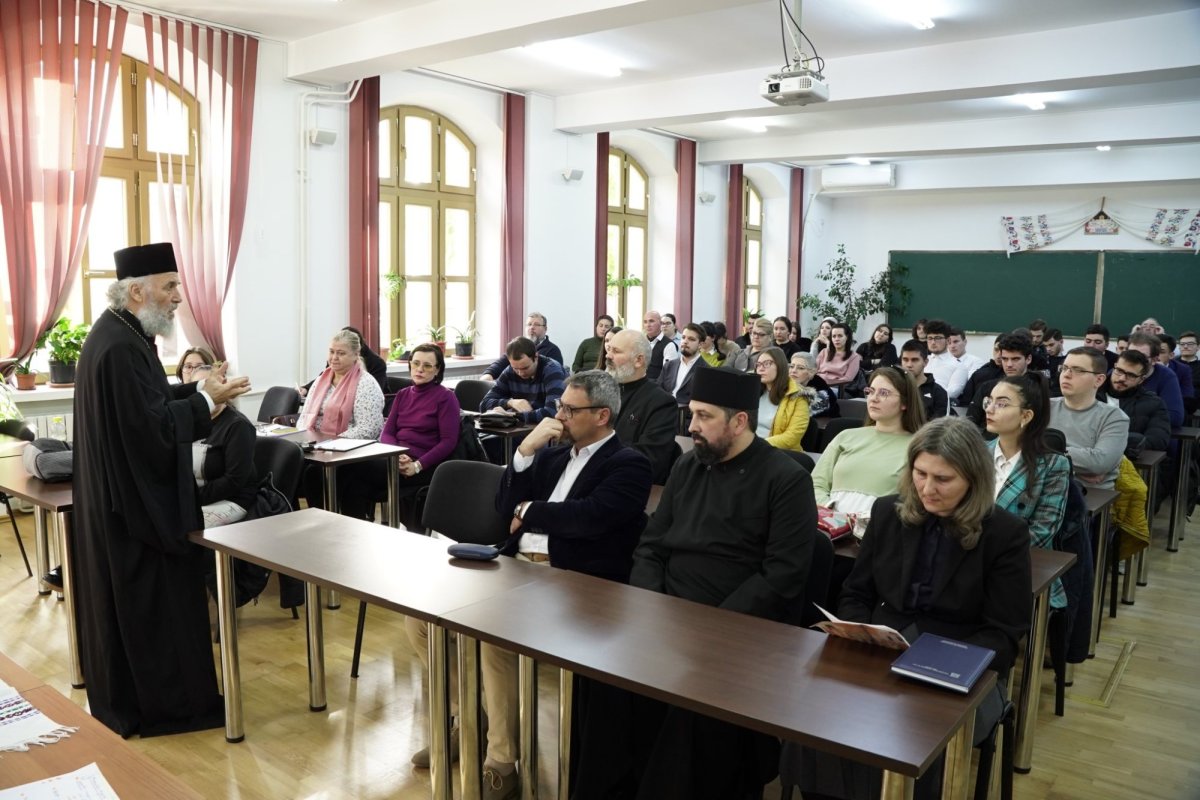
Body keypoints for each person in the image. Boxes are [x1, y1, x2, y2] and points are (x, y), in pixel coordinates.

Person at [571, 367, 816, 799]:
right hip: (665, 615)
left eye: (704, 417)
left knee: (687, 707)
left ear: (739, 421)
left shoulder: (786, 479)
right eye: (692, 414)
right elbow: (652, 545)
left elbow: (783, 574)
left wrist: (709, 627)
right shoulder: (688, 465)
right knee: (600, 677)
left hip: (735, 629)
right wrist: (651, 608)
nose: (692, 427)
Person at [792, 417, 1033, 800]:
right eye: (920, 474)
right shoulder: (890, 512)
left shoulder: (1004, 533)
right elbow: (856, 592)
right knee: (819, 722)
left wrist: (940, 663)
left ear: (973, 480)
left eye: (943, 479)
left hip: (959, 667)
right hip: (882, 651)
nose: (927, 488)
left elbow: (1004, 632)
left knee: (906, 738)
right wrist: (864, 634)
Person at [72, 242, 251, 737]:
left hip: (118, 502)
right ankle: (166, 706)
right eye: (169, 286)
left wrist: (198, 393)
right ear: (136, 291)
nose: (178, 297)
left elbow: (146, 402)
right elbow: (147, 431)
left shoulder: (122, 337)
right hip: (132, 514)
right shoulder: (120, 346)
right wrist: (203, 403)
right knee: (154, 609)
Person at [467, 371, 653, 799]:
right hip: (515, 566)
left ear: (602, 415)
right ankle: (465, 720)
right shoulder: (550, 457)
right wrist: (525, 451)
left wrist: (530, 509)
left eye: (570, 409)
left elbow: (589, 517)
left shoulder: (628, 464)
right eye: (560, 407)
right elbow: (502, 506)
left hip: (571, 580)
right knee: (426, 624)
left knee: (492, 638)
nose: (559, 415)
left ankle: (501, 758)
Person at [337, 344, 461, 527]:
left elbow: (448, 442)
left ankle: (354, 530)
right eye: (416, 363)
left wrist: (417, 465)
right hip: (396, 458)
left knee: (352, 472)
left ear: (437, 370)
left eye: (427, 366)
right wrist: (396, 454)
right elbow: (387, 431)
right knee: (348, 475)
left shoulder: (446, 397)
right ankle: (353, 530)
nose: (419, 369)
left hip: (425, 465)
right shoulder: (403, 394)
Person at [984, 375, 1071, 609]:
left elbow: (1044, 529)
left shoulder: (1053, 465)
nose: (990, 409)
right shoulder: (976, 452)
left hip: (1019, 565)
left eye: (1001, 404)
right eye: (989, 401)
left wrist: (988, 553)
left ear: (1026, 416)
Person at [811, 367, 925, 516]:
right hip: (829, 525)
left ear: (905, 403)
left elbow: (913, 502)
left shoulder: (918, 447)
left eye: (883, 393)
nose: (873, 398)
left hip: (878, 529)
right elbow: (816, 483)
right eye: (871, 391)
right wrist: (831, 513)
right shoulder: (846, 436)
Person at [299, 329, 386, 509]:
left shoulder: (366, 384)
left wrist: (332, 444)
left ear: (356, 355)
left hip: (352, 453)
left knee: (314, 475)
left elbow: (368, 428)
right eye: (331, 352)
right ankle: (316, 522)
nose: (334, 358)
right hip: (319, 448)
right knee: (291, 468)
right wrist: (305, 440)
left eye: (341, 353)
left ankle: (331, 522)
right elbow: (305, 415)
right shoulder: (322, 379)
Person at [179, 347, 258, 528]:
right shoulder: (187, 421)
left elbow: (233, 481)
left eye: (213, 387)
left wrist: (189, 500)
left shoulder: (237, 426)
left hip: (230, 500)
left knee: (180, 527)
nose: (209, 395)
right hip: (195, 498)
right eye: (202, 390)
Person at [604, 329, 679, 484]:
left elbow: (650, 459)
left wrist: (597, 454)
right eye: (609, 349)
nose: (608, 356)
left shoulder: (661, 403)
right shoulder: (599, 392)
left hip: (624, 484)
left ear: (639, 360)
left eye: (616, 351)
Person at [1051, 347, 1129, 489]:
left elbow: (1099, 463)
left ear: (1098, 380)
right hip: (1044, 488)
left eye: (1078, 370)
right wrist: (1076, 466)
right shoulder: (1044, 407)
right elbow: (1018, 448)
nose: (1066, 375)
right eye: (1064, 368)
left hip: (1089, 498)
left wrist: (1042, 450)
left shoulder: (1114, 417)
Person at [480, 336, 567, 424]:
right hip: (523, 426)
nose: (520, 373)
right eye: (516, 368)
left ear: (536, 357)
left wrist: (511, 416)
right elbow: (483, 405)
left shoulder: (552, 370)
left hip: (548, 429)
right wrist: (510, 402)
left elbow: (553, 413)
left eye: (525, 368)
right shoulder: (510, 371)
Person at [1104, 349, 1172, 457]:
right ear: (1114, 366)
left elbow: (1159, 440)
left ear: (1141, 379)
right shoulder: (1090, 393)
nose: (1122, 378)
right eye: (1119, 371)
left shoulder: (1154, 403)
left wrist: (1121, 441)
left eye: (1131, 375)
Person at [965, 332, 1033, 431]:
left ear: (1028, 359)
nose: (1009, 364)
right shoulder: (987, 386)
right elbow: (971, 420)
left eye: (1015, 359)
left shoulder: (1036, 388)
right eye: (1005, 359)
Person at [754, 346, 809, 452]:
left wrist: (756, 446)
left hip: (781, 453)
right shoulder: (753, 391)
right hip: (750, 450)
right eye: (758, 365)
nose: (760, 368)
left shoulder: (798, 397)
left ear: (780, 366)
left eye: (767, 364)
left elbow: (792, 438)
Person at [1125, 332, 1184, 427]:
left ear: (1154, 360)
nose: (1134, 361)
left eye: (1141, 357)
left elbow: (1175, 417)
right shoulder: (1116, 373)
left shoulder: (1167, 376)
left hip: (1153, 435)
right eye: (1130, 355)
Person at [482, 312, 564, 380]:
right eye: (529, 324)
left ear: (545, 329)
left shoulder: (553, 350)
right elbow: (500, 363)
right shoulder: (518, 346)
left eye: (536, 325)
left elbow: (553, 375)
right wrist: (488, 374)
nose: (532, 327)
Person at [656, 322, 708, 408]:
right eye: (683, 337)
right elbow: (658, 391)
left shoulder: (706, 370)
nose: (685, 342)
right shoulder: (669, 365)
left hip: (687, 417)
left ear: (700, 344)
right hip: (664, 412)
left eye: (691, 339)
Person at [899, 338, 948, 419]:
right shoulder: (894, 387)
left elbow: (938, 427)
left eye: (914, 360)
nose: (909, 365)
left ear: (925, 362)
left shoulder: (938, 392)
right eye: (905, 360)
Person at [923, 319, 969, 404]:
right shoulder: (923, 361)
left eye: (938, 338)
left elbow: (952, 393)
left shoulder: (959, 366)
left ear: (948, 341)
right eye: (930, 338)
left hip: (939, 407)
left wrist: (923, 396)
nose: (933, 342)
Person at [815, 322, 862, 394]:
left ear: (847, 337)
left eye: (840, 336)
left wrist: (826, 381)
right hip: (817, 385)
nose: (836, 339)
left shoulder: (854, 357)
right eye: (834, 336)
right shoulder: (824, 352)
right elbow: (813, 370)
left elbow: (848, 379)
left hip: (836, 388)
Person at [643, 310, 680, 380]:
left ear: (660, 323)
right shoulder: (640, 342)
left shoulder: (669, 345)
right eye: (645, 322)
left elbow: (669, 375)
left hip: (656, 387)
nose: (648, 325)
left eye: (651, 321)